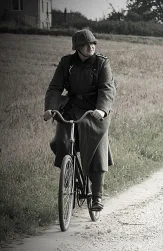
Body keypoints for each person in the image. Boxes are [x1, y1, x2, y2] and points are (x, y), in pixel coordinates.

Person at [43, 29, 116, 211]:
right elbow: (55, 88)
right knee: (62, 141)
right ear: (77, 47)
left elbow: (107, 89)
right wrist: (50, 109)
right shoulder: (66, 63)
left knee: (97, 149)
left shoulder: (101, 63)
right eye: (85, 44)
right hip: (71, 107)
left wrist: (102, 110)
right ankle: (72, 174)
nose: (90, 47)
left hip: (94, 110)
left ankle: (96, 197)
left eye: (93, 43)